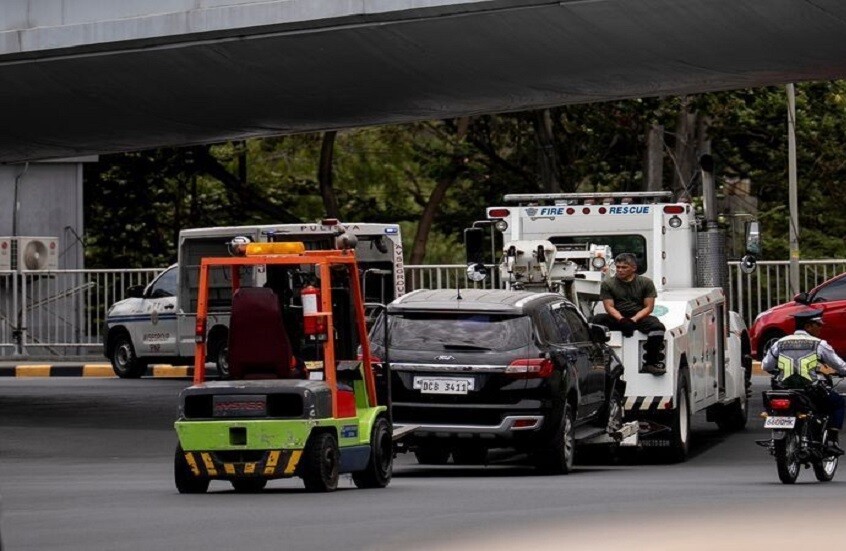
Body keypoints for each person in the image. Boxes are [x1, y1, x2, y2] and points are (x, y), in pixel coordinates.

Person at [762, 309, 846, 456]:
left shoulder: (780, 343)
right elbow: (840, 366)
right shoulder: (819, 344)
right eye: (818, 325)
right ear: (808, 326)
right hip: (810, 391)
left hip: (783, 391)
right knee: (838, 402)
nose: (821, 328)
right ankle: (831, 442)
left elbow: (766, 366)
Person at [592, 253, 666, 375]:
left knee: (657, 327)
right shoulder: (608, 284)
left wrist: (633, 319)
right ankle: (597, 361)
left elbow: (649, 307)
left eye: (624, 267)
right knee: (595, 322)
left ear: (633, 268)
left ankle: (650, 363)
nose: (620, 270)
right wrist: (622, 319)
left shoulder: (646, 283)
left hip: (638, 316)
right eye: (618, 267)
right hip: (617, 317)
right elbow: (609, 306)